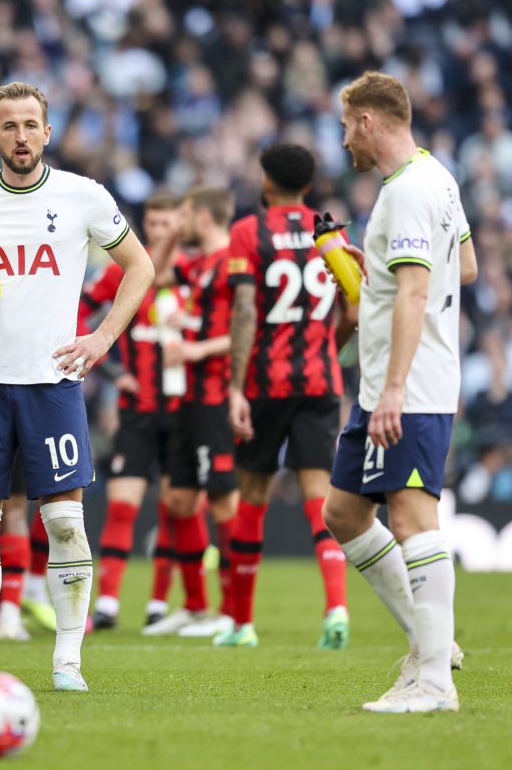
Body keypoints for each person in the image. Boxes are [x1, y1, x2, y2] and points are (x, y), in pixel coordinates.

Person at [0, 81, 154, 692]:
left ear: (48, 132)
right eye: (9, 126)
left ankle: (67, 661)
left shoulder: (83, 196)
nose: (21, 136)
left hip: (53, 384)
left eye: (31, 125)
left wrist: (102, 339)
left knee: (64, 523)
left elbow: (141, 267)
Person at [322, 71, 475, 713]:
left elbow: (416, 290)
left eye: (345, 125)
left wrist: (391, 391)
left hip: (405, 385)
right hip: (388, 383)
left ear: (367, 121)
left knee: (412, 517)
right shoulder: (434, 176)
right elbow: (463, 266)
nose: (343, 141)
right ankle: (428, 642)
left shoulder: (409, 191)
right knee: (344, 513)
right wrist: (376, 272)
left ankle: (435, 680)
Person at [222, 143, 355, 650]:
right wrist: (325, 351)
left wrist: (235, 388)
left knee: (252, 496)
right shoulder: (333, 233)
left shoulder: (247, 232)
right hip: (320, 382)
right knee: (320, 497)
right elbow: (354, 308)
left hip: (264, 384)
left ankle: (242, 624)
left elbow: (245, 312)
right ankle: (337, 608)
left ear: (267, 181)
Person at [80, 193, 185, 631]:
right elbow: (81, 317)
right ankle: (108, 603)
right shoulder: (122, 273)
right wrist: (115, 370)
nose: (159, 232)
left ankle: (160, 603)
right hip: (136, 408)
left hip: (185, 411)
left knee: (174, 509)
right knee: (123, 507)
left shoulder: (197, 274)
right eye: (154, 224)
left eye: (167, 225)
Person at [143, 186, 239, 639]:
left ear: (201, 216)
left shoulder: (233, 262)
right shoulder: (196, 265)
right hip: (185, 397)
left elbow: (246, 329)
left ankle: (235, 613)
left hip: (218, 396)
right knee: (178, 500)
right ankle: (197, 606)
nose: (178, 224)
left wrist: (198, 346)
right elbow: (153, 275)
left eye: (183, 216)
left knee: (222, 501)